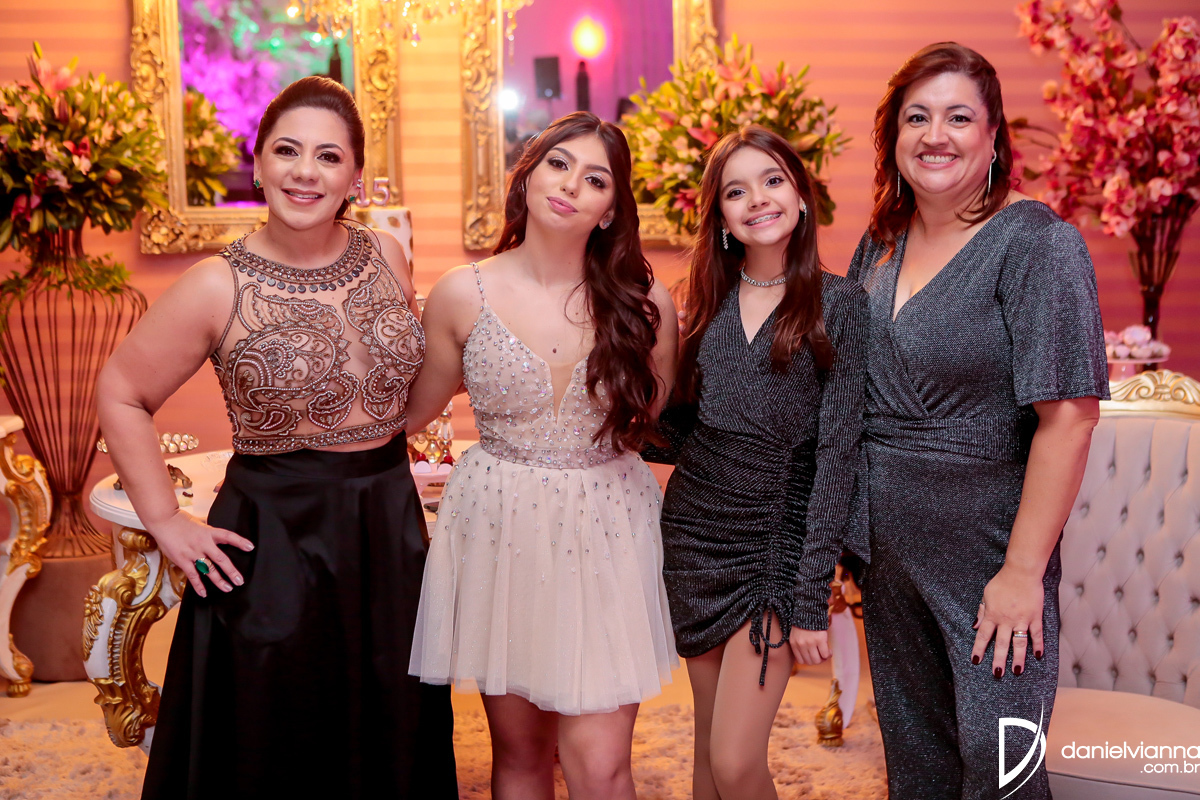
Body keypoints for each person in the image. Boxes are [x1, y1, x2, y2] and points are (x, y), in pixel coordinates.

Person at [96, 76, 457, 799]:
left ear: (355, 176)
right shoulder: (215, 284)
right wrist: (165, 520)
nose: (306, 172)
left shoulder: (386, 252)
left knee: (390, 720)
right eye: (288, 151)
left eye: (329, 156)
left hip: (387, 529)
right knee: (275, 737)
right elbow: (121, 390)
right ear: (257, 163)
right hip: (275, 540)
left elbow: (393, 391)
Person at [849, 43, 1108, 799]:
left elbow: (1070, 419)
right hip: (888, 558)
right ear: (893, 136)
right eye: (917, 118)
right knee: (917, 764)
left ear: (993, 136)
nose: (936, 135)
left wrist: (1022, 574)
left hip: (990, 558)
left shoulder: (1036, 243)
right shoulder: (881, 243)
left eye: (959, 117)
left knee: (1001, 767)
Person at [406, 111, 678, 800]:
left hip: (607, 525)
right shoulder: (461, 292)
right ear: (526, 176)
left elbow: (654, 423)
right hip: (502, 527)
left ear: (610, 209)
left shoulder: (645, 303)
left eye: (595, 179)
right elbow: (409, 414)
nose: (570, 185)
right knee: (521, 757)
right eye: (558, 164)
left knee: (601, 764)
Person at [646, 125, 868, 800]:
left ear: (801, 196)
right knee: (708, 762)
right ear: (720, 217)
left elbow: (837, 460)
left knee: (737, 763)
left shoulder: (840, 305)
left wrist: (811, 597)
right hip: (693, 537)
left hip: (774, 544)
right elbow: (677, 433)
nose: (758, 200)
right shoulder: (702, 309)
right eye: (736, 191)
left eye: (772, 181)